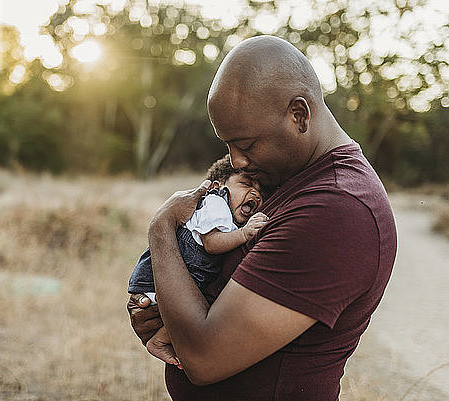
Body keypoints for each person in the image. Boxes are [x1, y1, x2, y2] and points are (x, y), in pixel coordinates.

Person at [127, 35, 397, 401]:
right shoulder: (285, 177)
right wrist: (166, 313)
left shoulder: (337, 208)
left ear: (298, 115)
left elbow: (205, 357)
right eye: (228, 146)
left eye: (247, 145)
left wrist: (161, 229)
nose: (236, 162)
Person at [128, 154, 267, 367]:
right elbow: (211, 243)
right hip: (158, 281)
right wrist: (245, 234)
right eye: (246, 183)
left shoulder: (231, 219)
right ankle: (158, 341)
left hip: (180, 279)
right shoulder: (216, 203)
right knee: (185, 312)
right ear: (218, 186)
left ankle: (160, 340)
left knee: (185, 312)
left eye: (261, 190)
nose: (255, 192)